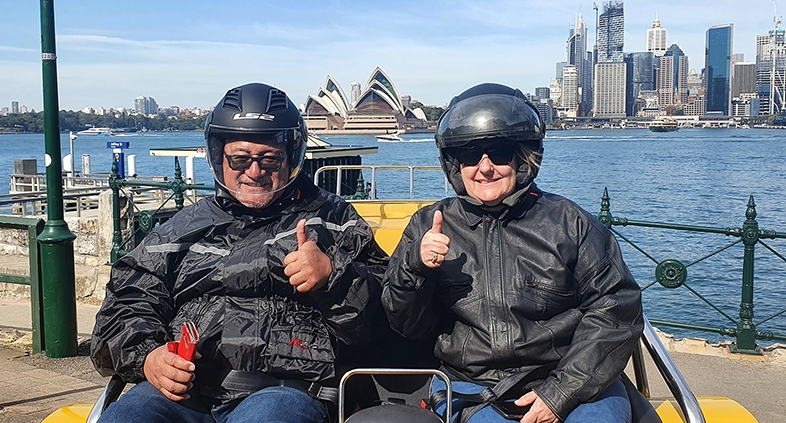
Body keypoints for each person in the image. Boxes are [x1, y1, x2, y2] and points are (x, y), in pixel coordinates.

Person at [91, 82, 389, 423]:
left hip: (285, 390)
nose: (254, 171)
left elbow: (387, 316)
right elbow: (127, 302)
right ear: (219, 158)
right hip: (185, 390)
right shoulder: (181, 227)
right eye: (240, 158)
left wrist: (333, 277)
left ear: (291, 157)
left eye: (270, 159)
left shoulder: (335, 219)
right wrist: (149, 356)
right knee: (126, 417)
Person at [381, 83, 643, 423]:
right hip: (472, 385)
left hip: (571, 379)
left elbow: (616, 308)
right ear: (455, 165)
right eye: (471, 155)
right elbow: (405, 326)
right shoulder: (429, 225)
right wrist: (415, 267)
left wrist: (561, 392)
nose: (485, 167)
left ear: (523, 157)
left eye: (500, 152)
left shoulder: (570, 223)